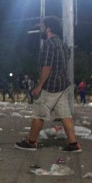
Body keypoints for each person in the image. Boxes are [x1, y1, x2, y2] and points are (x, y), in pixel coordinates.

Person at [14, 17, 82, 153]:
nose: (41, 30)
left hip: (50, 87)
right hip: (62, 86)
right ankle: (74, 144)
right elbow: (65, 61)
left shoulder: (48, 44)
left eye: (43, 27)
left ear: (49, 29)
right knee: (65, 115)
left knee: (39, 114)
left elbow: (47, 66)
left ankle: (31, 142)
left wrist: (39, 86)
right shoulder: (63, 45)